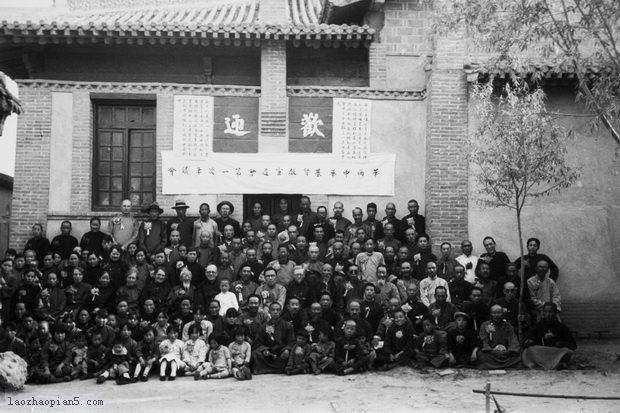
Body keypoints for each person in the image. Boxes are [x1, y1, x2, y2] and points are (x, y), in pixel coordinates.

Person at [522, 302, 576, 370]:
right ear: (543, 313)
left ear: (555, 313)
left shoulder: (562, 327)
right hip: (541, 352)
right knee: (529, 350)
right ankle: (555, 364)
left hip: (555, 352)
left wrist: (559, 343)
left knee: (567, 352)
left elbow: (573, 345)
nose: (548, 314)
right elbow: (532, 338)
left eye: (550, 312)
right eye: (545, 312)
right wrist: (540, 339)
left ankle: (555, 363)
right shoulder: (538, 326)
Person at [251, 302, 295, 374]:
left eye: (278, 310)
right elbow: (258, 342)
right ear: (269, 311)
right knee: (255, 354)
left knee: (292, 355)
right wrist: (264, 350)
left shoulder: (287, 325)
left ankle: (266, 369)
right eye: (273, 310)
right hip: (269, 355)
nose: (275, 312)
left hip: (282, 353)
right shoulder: (263, 326)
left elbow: (292, 341)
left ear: (281, 312)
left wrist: (286, 349)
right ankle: (278, 369)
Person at [477, 305, 521, 370]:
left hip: (506, 353)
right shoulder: (485, 325)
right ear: (490, 314)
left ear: (503, 314)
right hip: (491, 353)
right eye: (494, 313)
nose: (496, 315)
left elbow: (513, 340)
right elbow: (483, 340)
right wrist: (491, 350)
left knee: (519, 354)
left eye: (499, 313)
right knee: (481, 355)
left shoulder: (508, 326)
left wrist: (509, 350)